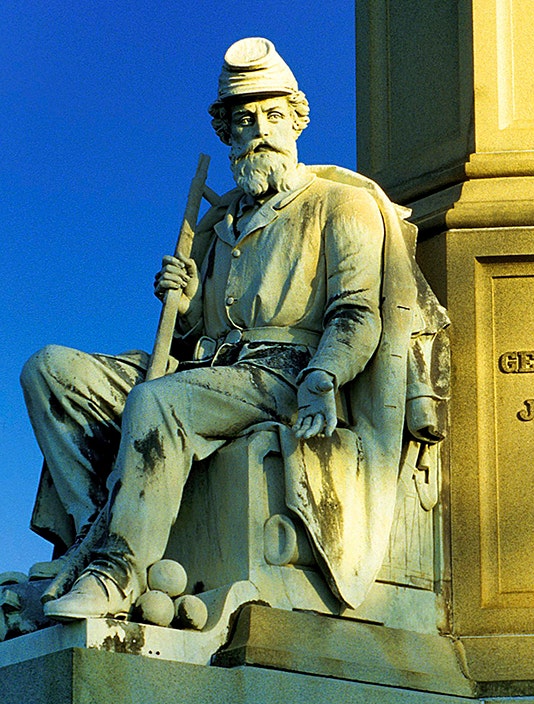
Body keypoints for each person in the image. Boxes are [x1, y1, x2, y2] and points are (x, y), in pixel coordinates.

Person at [26, 37, 447, 620]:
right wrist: (189, 301)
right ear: (227, 133)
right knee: (51, 370)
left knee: (159, 404)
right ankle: (94, 521)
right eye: (245, 119)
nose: (261, 130)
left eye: (274, 115)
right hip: (210, 369)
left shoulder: (339, 205)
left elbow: (357, 312)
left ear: (297, 122)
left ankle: (116, 572)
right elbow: (187, 339)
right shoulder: (216, 224)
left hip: (286, 371)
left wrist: (326, 373)